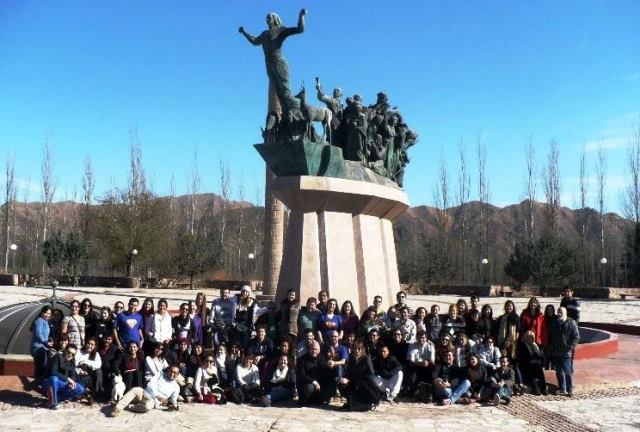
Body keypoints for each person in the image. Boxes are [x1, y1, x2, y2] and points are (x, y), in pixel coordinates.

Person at [239, 8, 307, 111]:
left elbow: (300, 29)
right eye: (266, 18)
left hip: (280, 65)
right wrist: (244, 32)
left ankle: (304, 108)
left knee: (286, 95)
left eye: (269, 18)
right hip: (270, 67)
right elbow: (254, 41)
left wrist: (301, 16)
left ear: (275, 19)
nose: (267, 20)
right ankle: (288, 121)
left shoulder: (281, 30)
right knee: (280, 97)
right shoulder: (265, 34)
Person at [111, 364, 180, 416]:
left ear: (178, 374)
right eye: (171, 371)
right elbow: (150, 384)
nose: (172, 374)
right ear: (168, 370)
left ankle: (127, 406)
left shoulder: (176, 387)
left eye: (175, 373)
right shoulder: (160, 374)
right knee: (136, 389)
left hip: (153, 401)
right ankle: (117, 408)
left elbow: (173, 400)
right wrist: (157, 396)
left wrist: (173, 406)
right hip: (145, 393)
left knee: (147, 407)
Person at [339, 341, 383, 411]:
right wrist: (345, 379)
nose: (357, 350)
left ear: (362, 349)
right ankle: (350, 401)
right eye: (355, 348)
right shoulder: (351, 357)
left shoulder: (366, 358)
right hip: (353, 381)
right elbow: (349, 372)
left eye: (359, 348)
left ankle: (366, 404)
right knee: (341, 384)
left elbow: (371, 374)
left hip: (364, 383)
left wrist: (358, 381)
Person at [547, 306, 580, 397]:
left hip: (566, 352)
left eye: (561, 312)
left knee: (567, 371)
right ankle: (562, 388)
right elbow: (551, 336)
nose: (559, 314)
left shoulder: (571, 323)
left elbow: (576, 337)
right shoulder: (555, 323)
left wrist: (569, 347)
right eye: (558, 312)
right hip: (556, 351)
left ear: (565, 313)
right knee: (558, 371)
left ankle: (569, 389)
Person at [44, 344, 86, 409]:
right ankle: (53, 403)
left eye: (73, 354)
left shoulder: (72, 362)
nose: (70, 355)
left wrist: (72, 383)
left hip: (63, 384)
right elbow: (53, 372)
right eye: (69, 352)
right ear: (65, 350)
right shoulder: (57, 357)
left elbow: (73, 374)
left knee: (80, 389)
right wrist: (68, 379)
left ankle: (57, 397)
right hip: (50, 383)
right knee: (54, 378)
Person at [296, 340, 333, 406]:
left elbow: (326, 373)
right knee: (309, 387)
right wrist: (314, 382)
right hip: (307, 385)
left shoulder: (322, 359)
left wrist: (330, 361)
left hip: (318, 386)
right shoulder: (301, 360)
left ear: (319, 350)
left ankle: (322, 398)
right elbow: (302, 375)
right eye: (312, 349)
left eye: (316, 349)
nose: (314, 351)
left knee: (331, 383)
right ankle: (304, 400)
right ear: (309, 349)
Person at [518, 330, 547, 395]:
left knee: (541, 375)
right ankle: (536, 390)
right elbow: (522, 358)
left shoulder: (537, 345)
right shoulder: (523, 345)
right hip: (528, 365)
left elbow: (542, 355)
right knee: (532, 375)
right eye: (528, 336)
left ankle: (544, 389)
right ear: (525, 337)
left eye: (531, 336)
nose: (530, 338)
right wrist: (530, 361)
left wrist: (541, 363)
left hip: (537, 364)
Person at [75, 337, 102, 405]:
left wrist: (86, 361)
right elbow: (74, 364)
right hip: (80, 374)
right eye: (88, 343)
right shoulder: (79, 351)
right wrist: (79, 371)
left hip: (90, 375)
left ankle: (94, 394)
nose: (90, 346)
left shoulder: (96, 354)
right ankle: (86, 395)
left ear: (95, 346)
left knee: (98, 371)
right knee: (83, 367)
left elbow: (98, 365)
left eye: (92, 345)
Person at [30, 305, 52, 385]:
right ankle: (37, 382)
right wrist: (46, 343)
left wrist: (49, 341)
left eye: (49, 313)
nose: (47, 315)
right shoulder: (39, 320)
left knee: (40, 365)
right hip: (38, 347)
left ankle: (37, 382)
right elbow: (39, 334)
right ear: (42, 313)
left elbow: (45, 335)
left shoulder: (46, 322)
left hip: (43, 347)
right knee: (41, 365)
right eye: (45, 313)